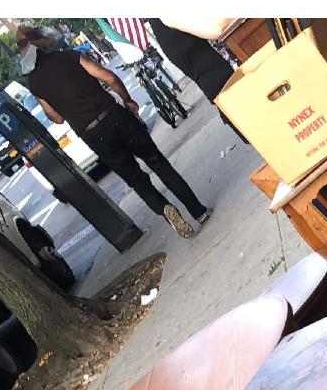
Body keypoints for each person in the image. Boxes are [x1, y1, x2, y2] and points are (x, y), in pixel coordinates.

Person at [14, 24, 210, 239]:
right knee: (158, 163)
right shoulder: (69, 56)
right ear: (42, 43)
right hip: (114, 116)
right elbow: (110, 78)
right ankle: (198, 211)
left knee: (137, 181)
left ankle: (165, 209)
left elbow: (57, 118)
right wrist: (127, 99)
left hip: (92, 135)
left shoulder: (35, 84)